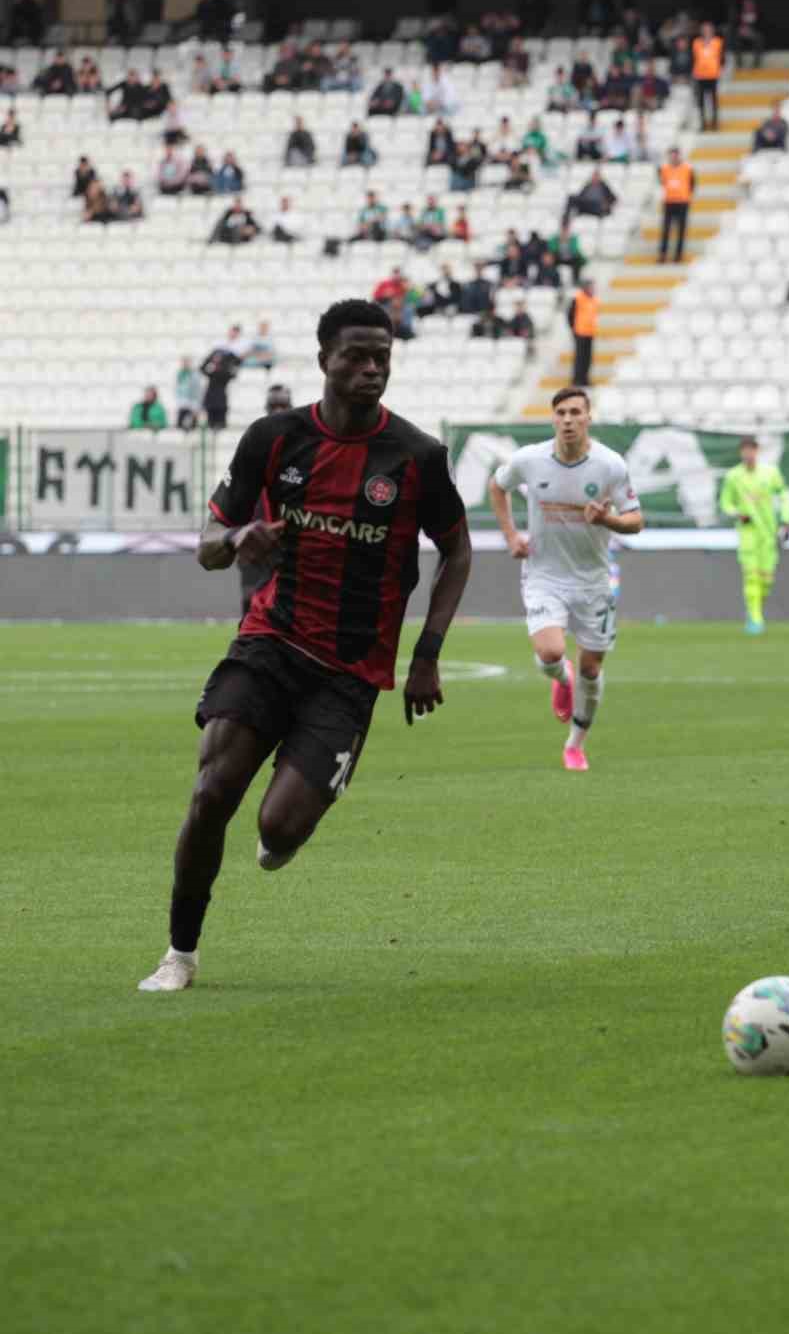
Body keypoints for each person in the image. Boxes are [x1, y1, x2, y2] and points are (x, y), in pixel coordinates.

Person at [135, 300, 471, 993]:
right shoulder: (274, 439)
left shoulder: (417, 457)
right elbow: (207, 547)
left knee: (278, 832)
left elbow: (458, 550)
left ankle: (290, 820)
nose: (371, 368)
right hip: (271, 640)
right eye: (356, 355)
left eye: (382, 356)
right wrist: (236, 540)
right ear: (325, 361)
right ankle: (180, 954)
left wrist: (427, 655)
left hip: (350, 673)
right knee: (211, 791)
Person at [486, 388, 642, 773]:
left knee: (592, 668)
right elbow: (497, 486)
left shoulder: (610, 466)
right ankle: (561, 676)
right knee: (551, 652)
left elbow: (635, 520)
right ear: (552, 419)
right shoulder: (529, 460)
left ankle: (575, 744)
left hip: (593, 581)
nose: (568, 419)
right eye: (561, 412)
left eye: (576, 412)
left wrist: (606, 520)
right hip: (544, 575)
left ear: (588, 418)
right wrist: (510, 536)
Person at [720, 436, 789, 636]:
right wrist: (737, 513)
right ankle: (755, 618)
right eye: (745, 450)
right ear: (740, 452)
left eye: (751, 450)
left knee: (766, 580)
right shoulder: (733, 476)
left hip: (768, 533)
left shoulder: (770, 473)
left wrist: (786, 519)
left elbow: (784, 495)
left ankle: (755, 609)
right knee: (751, 577)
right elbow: (725, 503)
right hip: (748, 534)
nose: (748, 454)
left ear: (757, 451)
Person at [233, 384, 295, 614]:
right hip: (255, 539)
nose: (278, 411)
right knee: (250, 601)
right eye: (273, 406)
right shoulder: (252, 445)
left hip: (289, 543)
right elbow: (236, 495)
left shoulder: (305, 449)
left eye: (283, 406)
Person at [200, 342, 241, 429]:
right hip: (211, 399)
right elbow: (202, 368)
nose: (216, 359)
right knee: (210, 423)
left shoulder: (224, 371)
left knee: (221, 423)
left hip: (220, 400)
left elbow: (233, 372)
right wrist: (210, 360)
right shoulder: (210, 369)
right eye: (215, 357)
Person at [691, 22, 723, 131]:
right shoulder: (696, 42)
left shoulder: (718, 42)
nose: (706, 31)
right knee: (701, 101)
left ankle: (715, 123)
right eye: (704, 29)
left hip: (713, 74)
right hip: (700, 75)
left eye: (708, 29)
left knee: (713, 100)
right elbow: (695, 58)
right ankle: (703, 123)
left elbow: (720, 57)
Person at [568, 278, 599, 386]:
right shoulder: (577, 298)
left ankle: (585, 379)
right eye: (591, 287)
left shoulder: (594, 300)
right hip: (580, 332)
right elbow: (570, 315)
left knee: (588, 358)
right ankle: (577, 379)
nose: (593, 289)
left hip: (590, 332)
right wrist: (573, 328)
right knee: (579, 357)